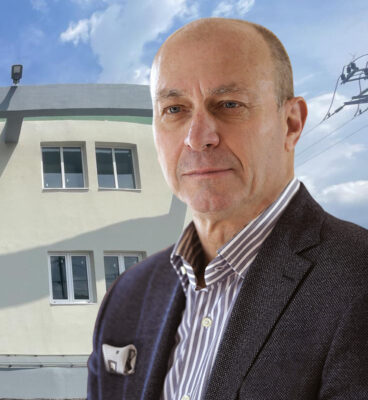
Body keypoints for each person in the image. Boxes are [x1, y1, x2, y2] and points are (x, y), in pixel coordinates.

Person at [87, 17, 368, 400]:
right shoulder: (126, 296)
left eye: (229, 104)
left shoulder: (356, 278)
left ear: (291, 124)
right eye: (174, 109)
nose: (197, 138)